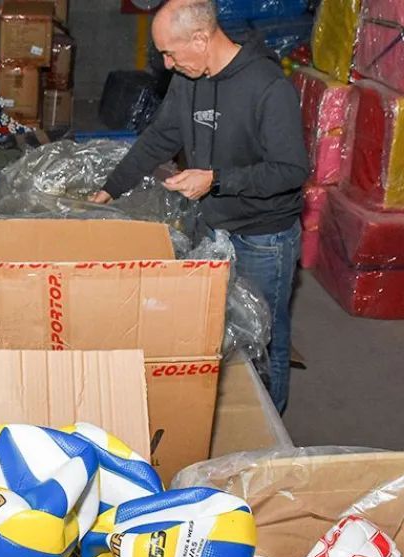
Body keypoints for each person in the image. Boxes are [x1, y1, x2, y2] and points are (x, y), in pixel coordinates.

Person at [90, 0, 308, 413]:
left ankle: (269, 429)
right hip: (214, 226)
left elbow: (291, 170)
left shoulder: (267, 87)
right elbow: (160, 138)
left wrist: (216, 179)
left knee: (266, 334)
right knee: (219, 325)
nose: (168, 65)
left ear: (201, 38)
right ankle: (232, 411)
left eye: (170, 53)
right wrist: (108, 189)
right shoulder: (190, 79)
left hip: (264, 236)